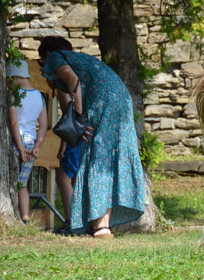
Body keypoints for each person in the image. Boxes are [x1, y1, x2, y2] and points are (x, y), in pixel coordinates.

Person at [38, 36, 145, 238]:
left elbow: (73, 81)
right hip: (120, 98)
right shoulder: (78, 61)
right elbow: (69, 98)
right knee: (107, 160)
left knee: (96, 157)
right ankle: (100, 224)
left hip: (104, 100)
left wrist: (80, 120)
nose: (43, 66)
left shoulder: (54, 58)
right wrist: (72, 132)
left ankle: (99, 227)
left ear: (45, 55)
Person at [6, 58, 48, 225]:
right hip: (31, 142)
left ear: (14, 77)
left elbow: (14, 122)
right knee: (22, 184)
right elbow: (43, 125)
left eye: (8, 80)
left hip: (18, 141)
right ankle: (25, 218)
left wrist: (20, 148)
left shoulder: (14, 96)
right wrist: (37, 146)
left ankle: (14, 216)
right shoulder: (39, 96)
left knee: (11, 182)